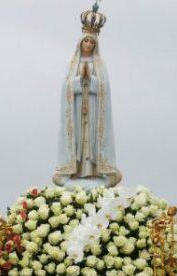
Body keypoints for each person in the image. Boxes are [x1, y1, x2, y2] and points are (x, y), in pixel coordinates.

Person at [53, 3, 121, 188]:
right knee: (78, 139)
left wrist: (89, 78)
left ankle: (93, 171)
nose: (89, 44)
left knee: (91, 139)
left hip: (93, 108)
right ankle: (75, 170)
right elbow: (66, 86)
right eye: (86, 41)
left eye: (92, 42)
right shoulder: (72, 62)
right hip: (76, 108)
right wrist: (77, 81)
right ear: (81, 42)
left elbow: (103, 88)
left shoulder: (100, 64)